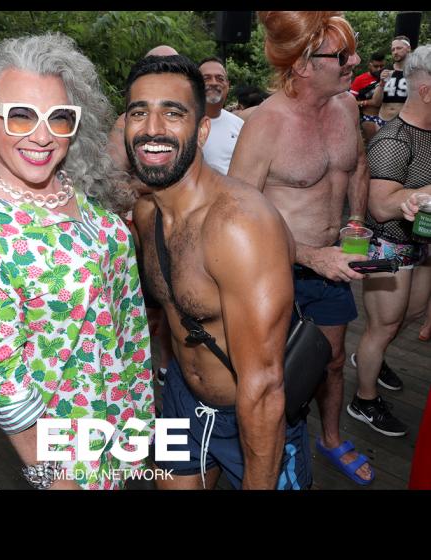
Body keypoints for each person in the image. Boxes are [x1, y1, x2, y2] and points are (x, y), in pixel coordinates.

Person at [0, 33, 154, 490]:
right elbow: (3, 384)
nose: (42, 135)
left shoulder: (70, 183)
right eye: (20, 115)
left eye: (59, 117)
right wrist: (54, 479)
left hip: (122, 409)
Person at [125, 54, 311, 490]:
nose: (152, 128)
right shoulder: (146, 212)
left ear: (202, 130)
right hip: (180, 398)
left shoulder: (239, 227)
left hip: (247, 418)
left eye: (173, 113)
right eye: (139, 112)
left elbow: (263, 387)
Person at [229, 11, 374, 486]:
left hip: (334, 262)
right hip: (277, 272)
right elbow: (238, 221)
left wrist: (356, 220)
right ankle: (275, 452)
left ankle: (330, 438)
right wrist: (312, 257)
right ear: (303, 64)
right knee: (278, 376)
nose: (355, 61)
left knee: (332, 362)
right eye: (343, 55)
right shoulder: (265, 125)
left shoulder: (347, 107)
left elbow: (357, 166)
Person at [348, 45, 431, 438]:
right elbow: (380, 207)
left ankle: (372, 358)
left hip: (420, 246)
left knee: (410, 314)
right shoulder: (393, 140)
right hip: (385, 248)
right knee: (381, 327)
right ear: (426, 91)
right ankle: (363, 400)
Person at [107, 45, 178, 388]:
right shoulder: (127, 122)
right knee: (145, 313)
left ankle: (166, 370)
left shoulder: (183, 117)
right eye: (157, 66)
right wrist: (158, 185)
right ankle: (134, 382)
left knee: (176, 307)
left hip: (181, 227)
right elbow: (111, 183)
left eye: (172, 66)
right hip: (142, 232)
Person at [199, 57, 244, 175]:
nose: (214, 83)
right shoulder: (183, 124)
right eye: (206, 78)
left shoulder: (240, 126)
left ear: (228, 85)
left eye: (220, 78)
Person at [371, 36, 412, 124]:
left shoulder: (416, 72)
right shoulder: (385, 71)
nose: (395, 52)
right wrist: (381, 84)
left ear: (408, 48)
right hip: (383, 121)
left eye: (399, 48)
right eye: (393, 49)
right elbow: (376, 102)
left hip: (406, 122)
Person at [351, 51, 387, 142]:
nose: (379, 69)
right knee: (374, 145)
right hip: (369, 117)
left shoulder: (389, 77)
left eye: (382, 66)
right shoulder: (359, 80)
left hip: (387, 118)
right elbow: (350, 102)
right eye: (376, 66)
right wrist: (367, 102)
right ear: (369, 65)